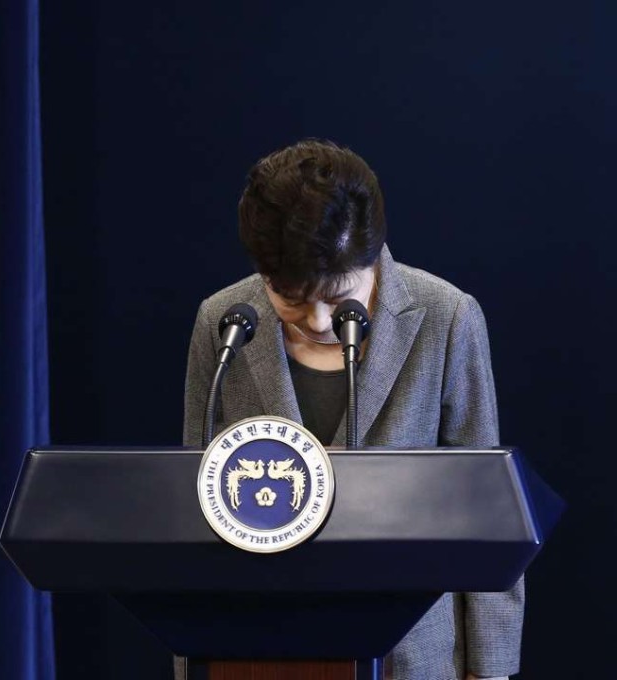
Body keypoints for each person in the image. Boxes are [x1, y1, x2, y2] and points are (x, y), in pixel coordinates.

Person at [181, 139, 523, 680]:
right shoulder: (223, 322)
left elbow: (488, 510)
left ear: (371, 256)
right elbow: (192, 503)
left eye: (339, 296)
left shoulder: (446, 317)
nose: (317, 320)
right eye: (291, 297)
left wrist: (492, 668)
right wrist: (189, 660)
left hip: (410, 655)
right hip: (257, 647)